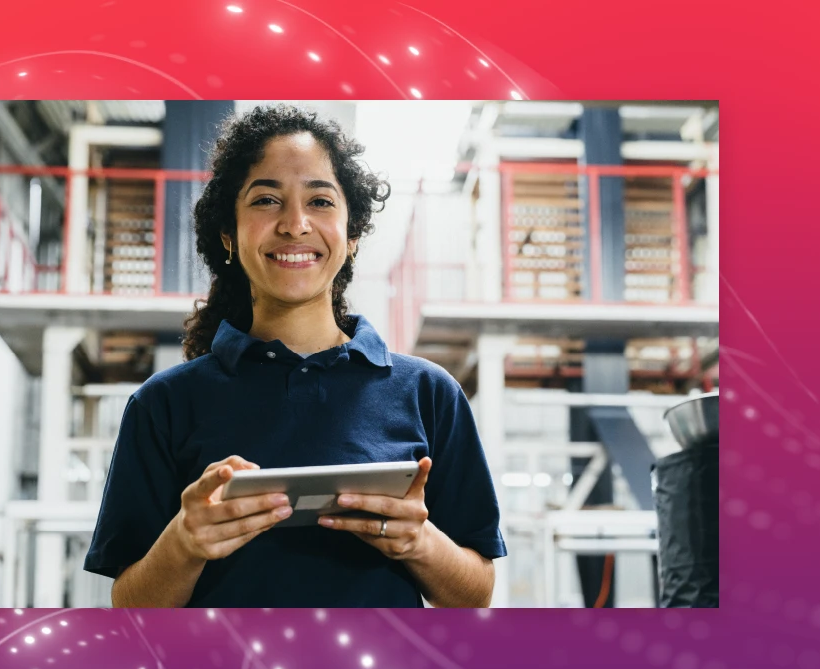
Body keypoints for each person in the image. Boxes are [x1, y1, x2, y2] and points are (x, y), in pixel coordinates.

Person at [84, 104, 506, 607]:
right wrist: (184, 543)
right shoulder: (163, 404)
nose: (295, 224)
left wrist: (421, 542)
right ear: (228, 234)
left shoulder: (429, 394)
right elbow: (130, 607)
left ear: (352, 235)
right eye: (266, 200)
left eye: (320, 201)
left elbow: (475, 596)